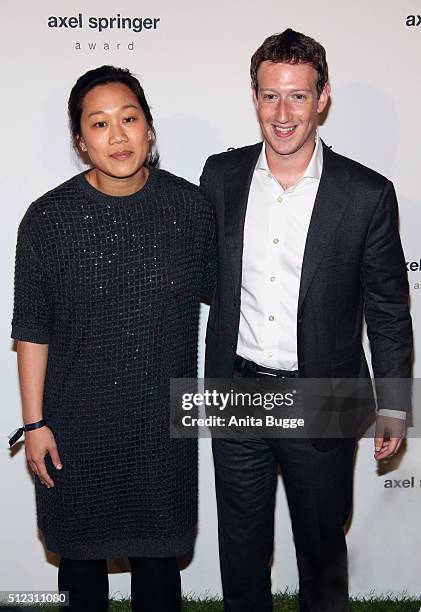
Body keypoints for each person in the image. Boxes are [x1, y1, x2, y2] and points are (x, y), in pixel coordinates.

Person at [200, 29, 412, 611]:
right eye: (271, 96)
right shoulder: (220, 178)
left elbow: (390, 306)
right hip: (236, 387)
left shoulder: (367, 194)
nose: (283, 112)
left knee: (320, 551)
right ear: (254, 96)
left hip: (325, 393)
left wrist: (394, 401)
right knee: (240, 549)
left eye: (297, 96)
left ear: (322, 98)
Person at [11, 65, 214, 612]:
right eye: (99, 124)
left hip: (160, 432)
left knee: (158, 575)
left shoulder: (190, 209)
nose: (117, 136)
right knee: (81, 578)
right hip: (74, 428)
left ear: (149, 128)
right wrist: (35, 423)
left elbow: (233, 304)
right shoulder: (47, 220)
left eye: (129, 118)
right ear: (80, 141)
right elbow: (31, 329)